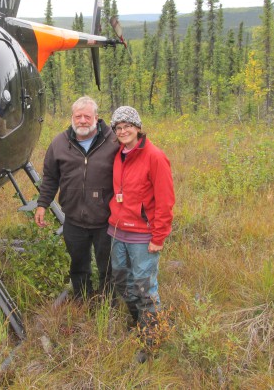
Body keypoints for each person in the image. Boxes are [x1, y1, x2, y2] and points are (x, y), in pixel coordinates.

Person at [35, 96, 119, 301]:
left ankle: (108, 302)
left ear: (96, 118)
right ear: (72, 117)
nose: (82, 120)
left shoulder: (114, 141)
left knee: (107, 265)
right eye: (78, 116)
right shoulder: (59, 143)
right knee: (78, 264)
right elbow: (50, 178)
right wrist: (42, 204)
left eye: (87, 116)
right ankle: (83, 299)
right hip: (73, 218)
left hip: (105, 219)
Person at [108, 106, 175, 359]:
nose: (123, 131)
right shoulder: (118, 154)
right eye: (119, 127)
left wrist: (158, 237)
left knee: (145, 287)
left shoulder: (154, 156)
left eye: (127, 126)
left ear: (138, 128)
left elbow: (166, 200)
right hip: (117, 232)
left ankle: (151, 340)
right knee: (123, 282)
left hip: (142, 236)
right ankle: (139, 324)